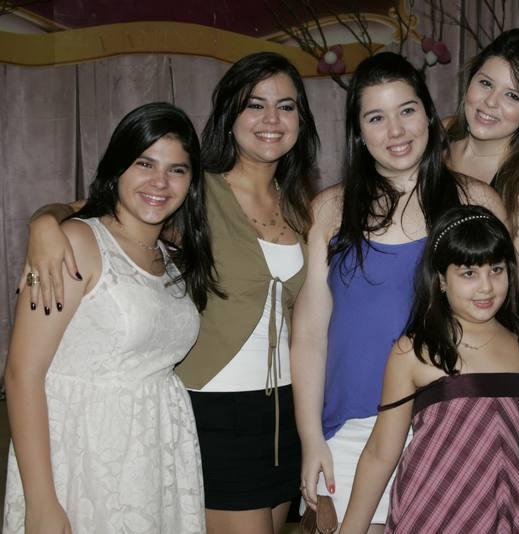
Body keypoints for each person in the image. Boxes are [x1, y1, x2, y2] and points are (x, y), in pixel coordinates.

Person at [18, 52, 320, 534]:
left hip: (283, 413)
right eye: (254, 104)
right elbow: (98, 208)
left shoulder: (303, 205)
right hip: (215, 407)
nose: (271, 119)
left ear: (301, 120)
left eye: (286, 106)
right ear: (230, 114)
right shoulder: (193, 192)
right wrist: (43, 224)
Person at [291, 52, 506, 531]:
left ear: (428, 114)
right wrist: (310, 439)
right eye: (376, 117)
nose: (396, 130)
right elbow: (309, 335)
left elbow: (507, 331)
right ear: (359, 133)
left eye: (407, 110)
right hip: (352, 430)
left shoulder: (476, 202)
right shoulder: (329, 210)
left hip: (453, 424)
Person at [3, 102, 216, 533]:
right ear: (118, 167)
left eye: (177, 169)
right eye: (145, 163)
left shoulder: (173, 255)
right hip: (84, 456)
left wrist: (46, 215)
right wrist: (41, 501)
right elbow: (22, 374)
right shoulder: (75, 242)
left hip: (156, 454)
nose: (160, 181)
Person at [340, 205, 519, 534]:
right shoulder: (414, 351)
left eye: (496, 269)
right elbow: (380, 453)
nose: (486, 287)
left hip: (507, 515)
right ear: (441, 279)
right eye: (469, 273)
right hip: (431, 513)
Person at [446, 29, 519, 355]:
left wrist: (508, 365)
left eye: (512, 96)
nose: (491, 102)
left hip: (479, 358)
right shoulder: (433, 142)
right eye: (485, 83)